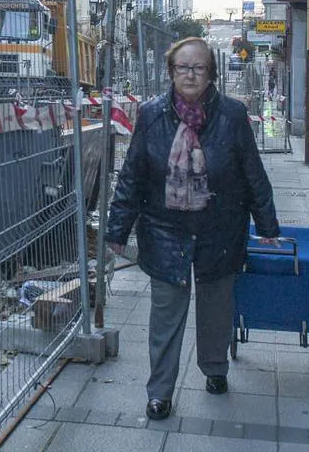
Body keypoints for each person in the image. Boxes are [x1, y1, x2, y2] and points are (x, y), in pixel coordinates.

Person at [105, 36, 280, 421]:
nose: (190, 74)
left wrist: (267, 223)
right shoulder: (151, 114)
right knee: (165, 318)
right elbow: (133, 174)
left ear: (210, 74)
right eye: (182, 67)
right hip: (165, 232)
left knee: (217, 309)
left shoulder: (232, 116)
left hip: (220, 230)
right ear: (171, 71)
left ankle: (215, 368)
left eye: (198, 67)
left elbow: (253, 172)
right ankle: (160, 392)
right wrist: (118, 229)